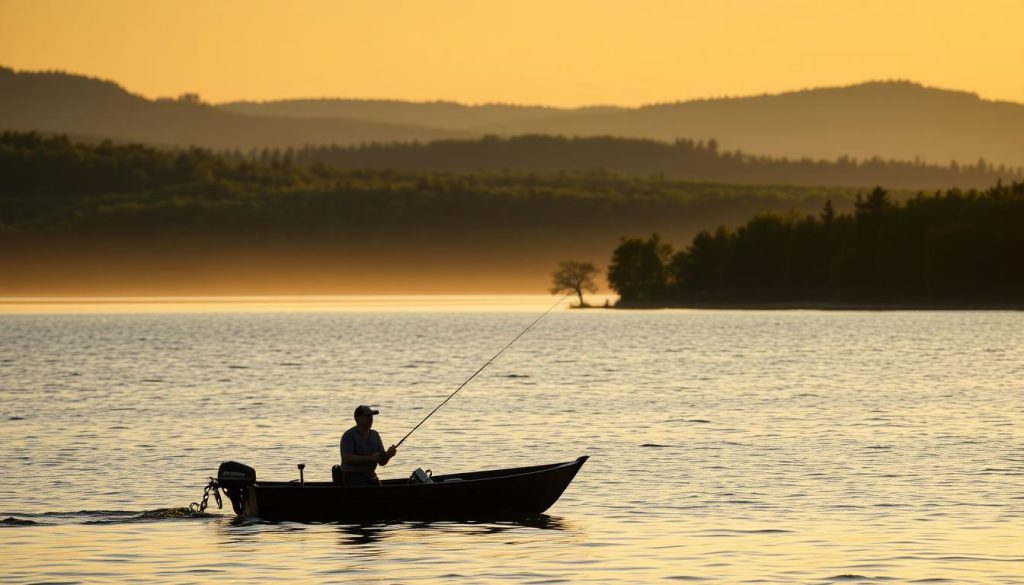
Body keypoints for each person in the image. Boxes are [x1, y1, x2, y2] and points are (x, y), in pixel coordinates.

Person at [338, 405, 398, 486]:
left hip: (370, 475)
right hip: (352, 475)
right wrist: (370, 458)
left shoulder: (375, 435)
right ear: (358, 418)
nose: (371, 419)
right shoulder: (349, 435)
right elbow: (347, 458)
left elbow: (382, 462)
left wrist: (388, 455)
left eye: (371, 416)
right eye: (367, 416)